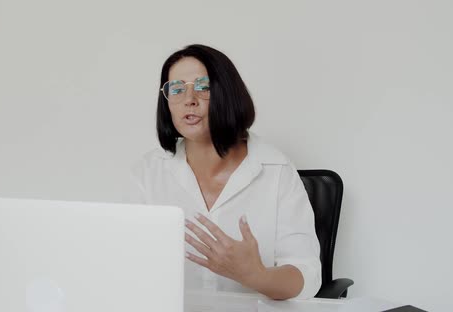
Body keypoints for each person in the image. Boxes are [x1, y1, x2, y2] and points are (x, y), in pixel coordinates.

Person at [127, 44, 321, 300]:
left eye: (203, 86)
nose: (189, 99)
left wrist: (256, 275)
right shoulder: (149, 171)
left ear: (228, 94)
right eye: (176, 89)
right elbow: (127, 262)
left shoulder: (276, 169)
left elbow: (307, 277)